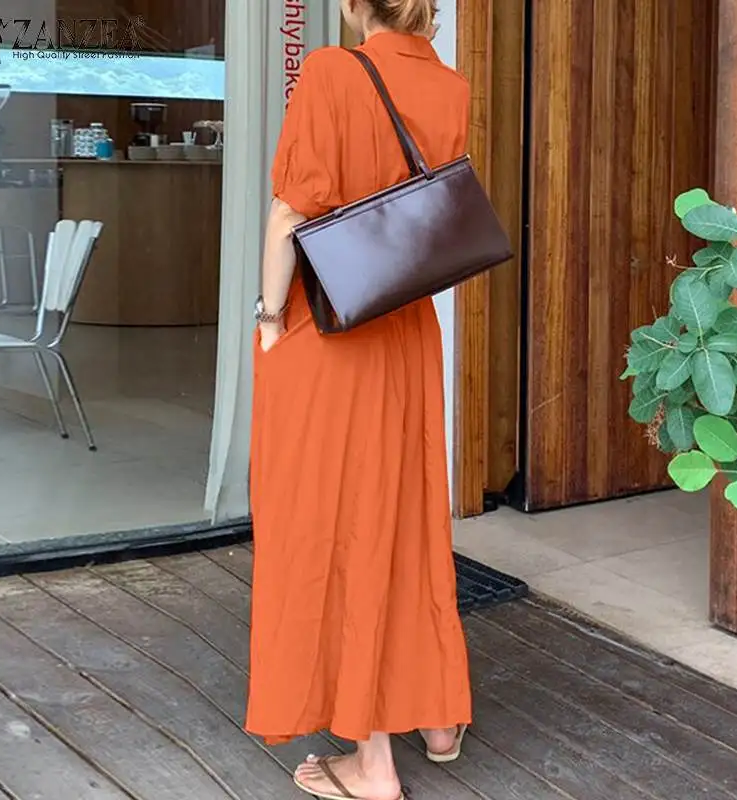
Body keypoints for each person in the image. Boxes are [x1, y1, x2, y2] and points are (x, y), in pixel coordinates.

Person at [246, 1, 472, 798]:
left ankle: (372, 762)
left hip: (332, 330)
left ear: (352, 4)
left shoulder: (332, 71)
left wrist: (268, 318)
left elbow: (292, 209)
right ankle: (437, 715)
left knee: (339, 525)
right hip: (406, 331)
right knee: (405, 518)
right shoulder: (450, 86)